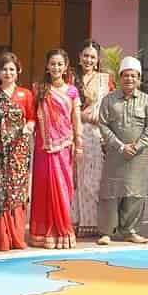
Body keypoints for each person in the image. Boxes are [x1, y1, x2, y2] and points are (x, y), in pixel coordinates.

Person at [97, 57, 148, 245]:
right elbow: (103, 125)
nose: (129, 79)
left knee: (135, 194)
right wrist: (121, 146)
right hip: (115, 154)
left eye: (133, 76)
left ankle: (130, 231)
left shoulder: (147, 101)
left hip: (138, 157)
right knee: (110, 193)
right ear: (119, 77)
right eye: (126, 75)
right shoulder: (109, 100)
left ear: (139, 79)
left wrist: (137, 146)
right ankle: (107, 232)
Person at [0, 52, 35, 251]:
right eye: (4, 69)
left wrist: (29, 126)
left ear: (18, 71)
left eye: (12, 69)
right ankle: (0, 235)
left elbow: (32, 117)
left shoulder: (26, 94)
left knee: (17, 192)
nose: (8, 73)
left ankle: (16, 235)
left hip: (18, 151)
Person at [30, 49, 82, 249]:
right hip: (43, 148)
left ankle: (62, 231)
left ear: (66, 67)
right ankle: (43, 233)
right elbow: (32, 116)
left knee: (63, 189)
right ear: (47, 66)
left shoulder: (72, 91)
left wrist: (79, 143)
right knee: (43, 189)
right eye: (53, 64)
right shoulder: (39, 89)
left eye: (60, 64)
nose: (56, 68)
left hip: (64, 147)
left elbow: (76, 119)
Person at [74, 41, 114, 237]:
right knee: (77, 179)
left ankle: (97, 223)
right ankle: (78, 221)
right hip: (74, 132)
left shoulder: (105, 80)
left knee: (95, 180)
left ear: (98, 60)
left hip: (97, 135)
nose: (88, 60)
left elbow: (111, 106)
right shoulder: (71, 79)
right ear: (79, 57)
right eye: (85, 56)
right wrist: (81, 116)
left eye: (92, 57)